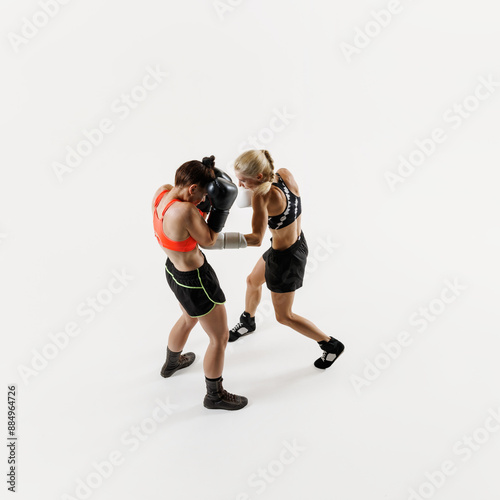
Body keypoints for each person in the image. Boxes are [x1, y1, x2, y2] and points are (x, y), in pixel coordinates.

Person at [228, 150, 345, 369]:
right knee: (252, 281)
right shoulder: (284, 174)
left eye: (243, 180)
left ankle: (330, 344)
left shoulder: (262, 197)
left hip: (286, 261)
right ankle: (248, 321)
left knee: (284, 316)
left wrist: (216, 240)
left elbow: (255, 239)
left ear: (260, 177)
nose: (240, 184)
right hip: (296, 243)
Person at [152, 155, 247, 410]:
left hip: (173, 271)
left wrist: (202, 204)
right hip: (197, 281)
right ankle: (214, 395)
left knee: (188, 318)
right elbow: (208, 240)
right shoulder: (185, 210)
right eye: (203, 195)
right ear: (193, 188)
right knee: (219, 338)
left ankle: (172, 363)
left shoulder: (162, 194)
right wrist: (221, 208)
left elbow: (183, 227)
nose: (204, 200)